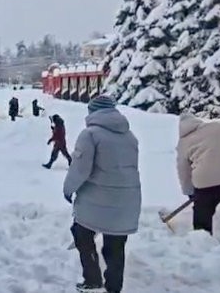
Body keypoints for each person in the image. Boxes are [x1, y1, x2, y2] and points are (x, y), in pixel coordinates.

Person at [63, 95, 140, 293]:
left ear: (92, 111)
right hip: (127, 201)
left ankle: (92, 279)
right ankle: (114, 288)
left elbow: (80, 169)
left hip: (96, 198)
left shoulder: (90, 135)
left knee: (81, 234)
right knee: (115, 247)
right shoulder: (129, 136)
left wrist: (68, 189)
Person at [177, 113, 220, 235]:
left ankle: (202, 240)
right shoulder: (217, 126)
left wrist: (189, 192)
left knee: (202, 213)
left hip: (205, 182)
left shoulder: (183, 142)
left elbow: (183, 171)